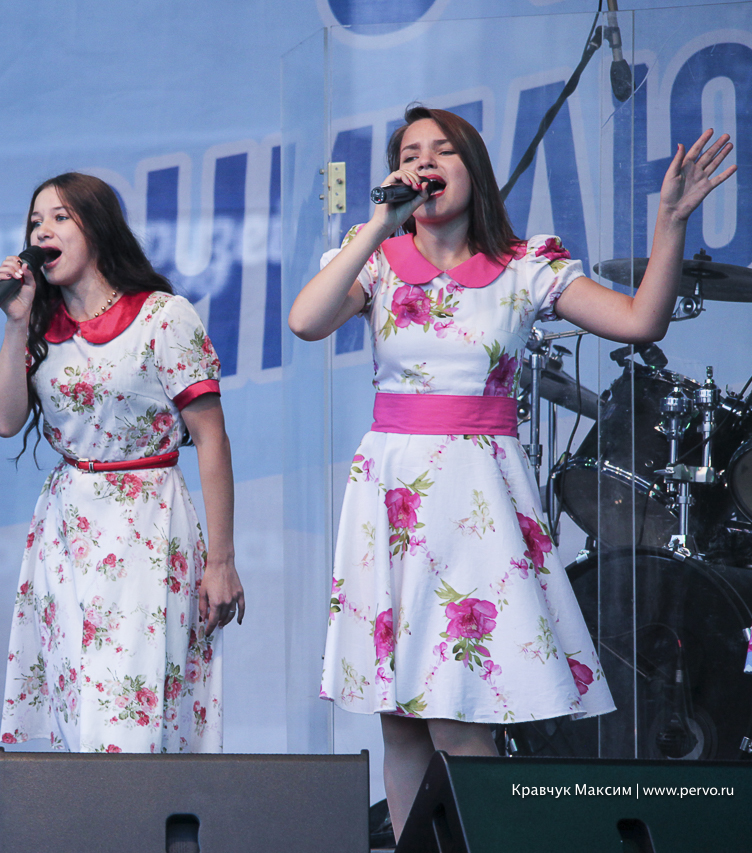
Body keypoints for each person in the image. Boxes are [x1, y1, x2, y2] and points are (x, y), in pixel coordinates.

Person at [288, 105, 734, 840]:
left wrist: (671, 223)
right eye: (409, 152)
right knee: (401, 719)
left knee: (461, 716)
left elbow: (638, 322)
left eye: (442, 150)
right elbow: (306, 321)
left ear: (474, 169)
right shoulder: (376, 261)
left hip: (475, 497)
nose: (423, 162)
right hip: (393, 495)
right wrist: (377, 224)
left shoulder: (524, 266)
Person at [0, 173, 245, 753]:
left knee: (131, 708)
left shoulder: (163, 316)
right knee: (79, 712)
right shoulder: (40, 326)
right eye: (35, 222)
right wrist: (16, 324)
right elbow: (4, 420)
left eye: (60, 218)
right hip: (67, 529)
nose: (42, 231)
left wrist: (222, 561)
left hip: (147, 523)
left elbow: (212, 439)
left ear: (99, 230)